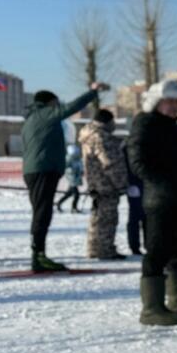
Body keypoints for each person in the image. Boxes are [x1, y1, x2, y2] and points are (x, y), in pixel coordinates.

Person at [126, 79, 177, 326]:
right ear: (156, 101)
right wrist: (164, 185)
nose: (173, 106)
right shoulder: (145, 123)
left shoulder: (175, 129)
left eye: (176, 101)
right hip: (160, 202)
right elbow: (138, 162)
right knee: (157, 251)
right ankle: (151, 308)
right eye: (168, 101)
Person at [21, 84, 103, 271]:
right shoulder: (45, 114)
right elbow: (72, 107)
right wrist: (93, 92)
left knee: (41, 211)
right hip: (43, 170)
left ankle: (39, 254)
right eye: (56, 104)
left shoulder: (31, 119)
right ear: (49, 103)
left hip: (35, 170)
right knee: (42, 213)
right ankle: (38, 256)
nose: (57, 107)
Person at [79, 109, 128, 260]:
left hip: (95, 183)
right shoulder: (102, 137)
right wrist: (121, 184)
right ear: (108, 121)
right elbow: (110, 163)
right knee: (108, 219)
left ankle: (93, 248)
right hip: (106, 185)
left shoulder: (88, 135)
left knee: (97, 218)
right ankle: (105, 250)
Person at [124, 144, 146, 256]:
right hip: (135, 183)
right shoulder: (129, 144)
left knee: (147, 217)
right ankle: (134, 246)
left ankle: (148, 245)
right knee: (135, 216)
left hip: (146, 183)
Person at [56, 144, 84, 213]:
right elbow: (65, 167)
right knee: (77, 195)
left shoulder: (77, 158)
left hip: (76, 178)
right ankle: (74, 208)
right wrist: (71, 171)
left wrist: (81, 171)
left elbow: (79, 165)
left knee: (69, 194)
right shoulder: (68, 158)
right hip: (72, 178)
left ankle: (59, 203)